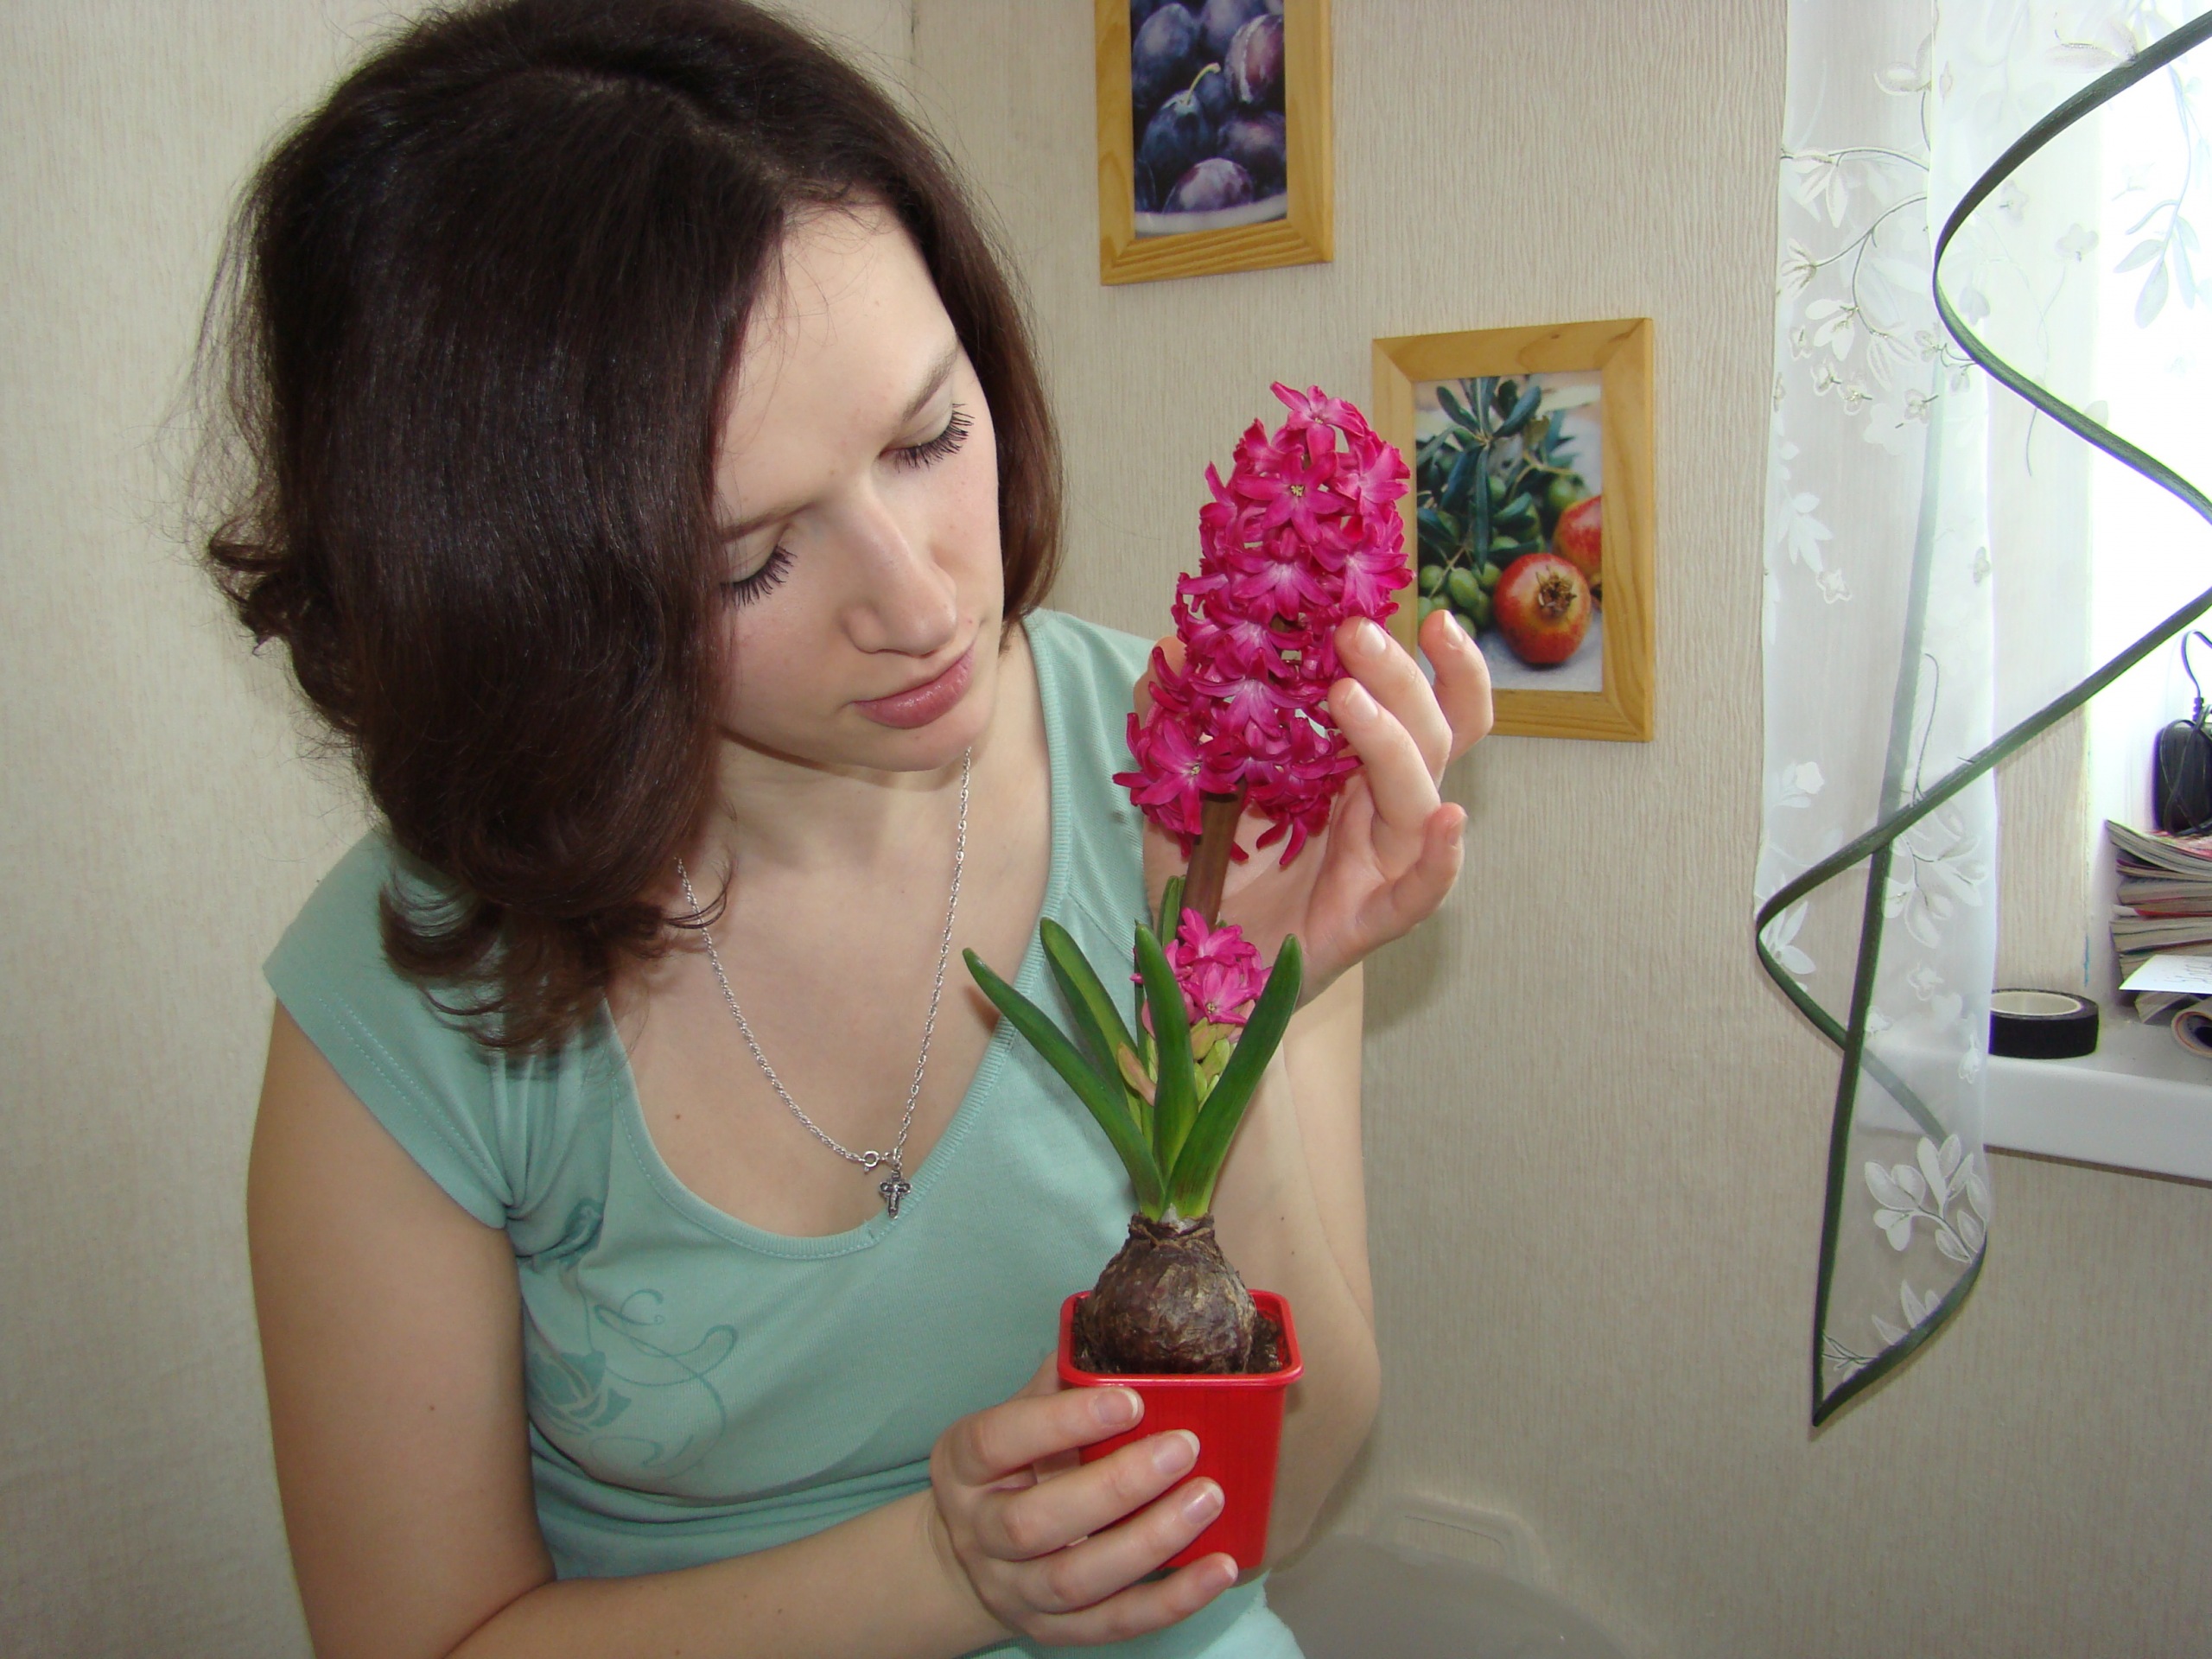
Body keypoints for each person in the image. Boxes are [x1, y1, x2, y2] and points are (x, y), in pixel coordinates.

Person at [207, 3, 1491, 1655]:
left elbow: (1285, 1500)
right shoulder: (407, 995)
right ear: (533, 608)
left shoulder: (1202, 775)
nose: (920, 602)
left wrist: (1223, 999)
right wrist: (948, 1568)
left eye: (929, 435)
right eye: (750, 558)